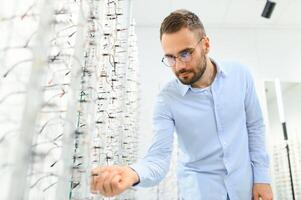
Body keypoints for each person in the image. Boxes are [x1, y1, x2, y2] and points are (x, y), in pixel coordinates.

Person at [90, 9, 273, 200]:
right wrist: (132, 173)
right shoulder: (167, 99)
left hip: (244, 188)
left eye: (185, 54)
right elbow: (159, 158)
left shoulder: (240, 75)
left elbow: (255, 127)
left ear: (206, 45)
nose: (178, 66)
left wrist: (262, 178)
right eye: (170, 58)